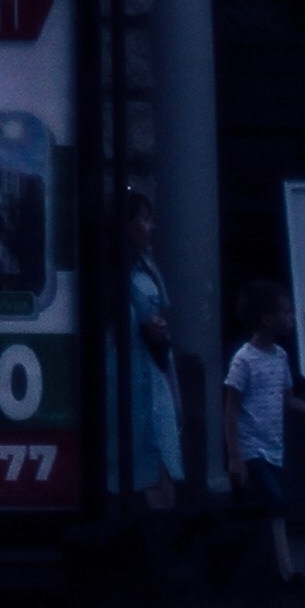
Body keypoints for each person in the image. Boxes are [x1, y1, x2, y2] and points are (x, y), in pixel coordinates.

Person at [219, 279, 305, 589]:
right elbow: (230, 409)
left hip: (273, 448)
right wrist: (235, 457)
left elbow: (289, 400)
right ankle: (287, 573)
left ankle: (269, 572)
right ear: (267, 318)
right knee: (276, 503)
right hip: (251, 448)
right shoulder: (243, 360)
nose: (291, 317)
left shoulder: (280, 357)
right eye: (285, 312)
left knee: (268, 511)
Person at [117, 191, 188, 526]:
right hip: (122, 385)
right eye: (143, 219)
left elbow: (162, 330)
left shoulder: (148, 270)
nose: (150, 228)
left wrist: (175, 398)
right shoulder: (108, 274)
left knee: (163, 473)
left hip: (154, 379)